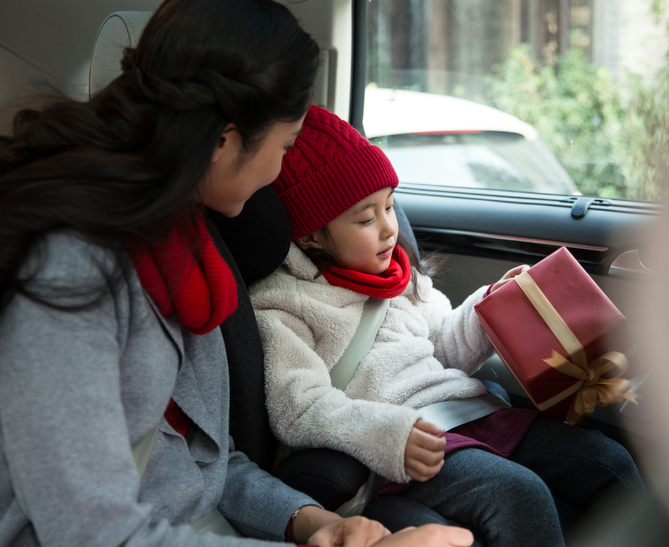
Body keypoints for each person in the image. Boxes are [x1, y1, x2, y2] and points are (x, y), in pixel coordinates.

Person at [0, 0, 473, 547]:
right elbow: (92, 532)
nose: (279, 176)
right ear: (224, 140)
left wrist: (312, 522)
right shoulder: (56, 272)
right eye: (284, 148)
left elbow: (202, 463)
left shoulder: (181, 251)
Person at [249, 105, 646, 547]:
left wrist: (490, 308)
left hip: (469, 411)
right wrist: (386, 435)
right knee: (520, 494)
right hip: (406, 442)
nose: (388, 230)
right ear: (310, 235)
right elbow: (298, 407)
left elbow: (443, 343)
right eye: (365, 219)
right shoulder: (284, 304)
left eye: (390, 207)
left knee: (610, 463)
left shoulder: (400, 276)